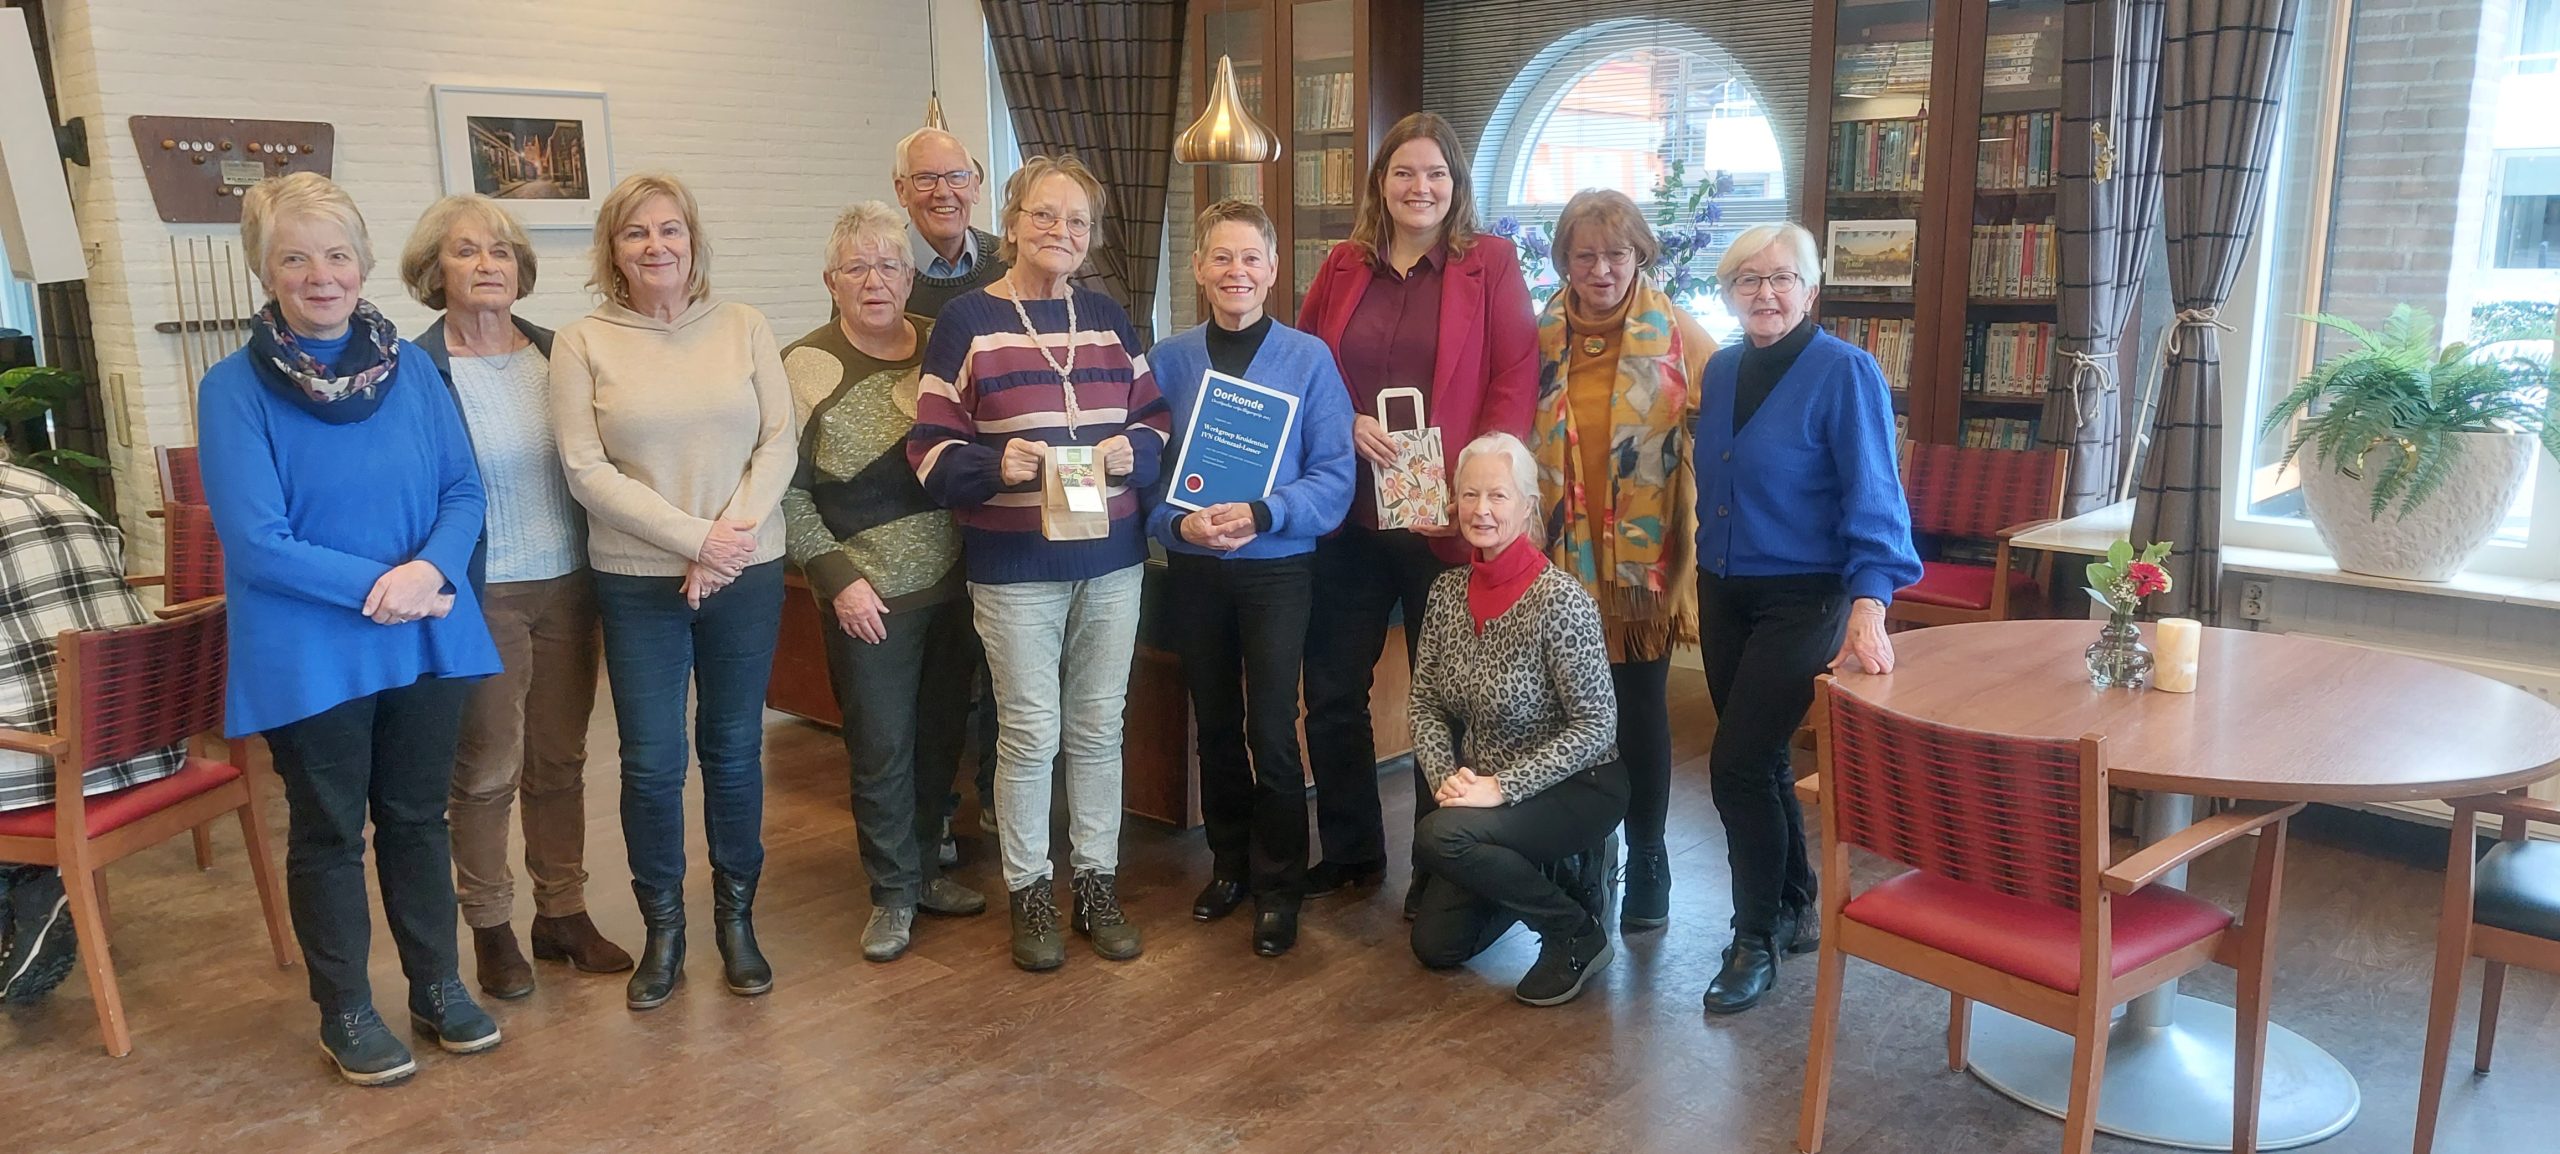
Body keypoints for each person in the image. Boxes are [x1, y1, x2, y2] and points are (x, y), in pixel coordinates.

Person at [198, 172, 504, 1084]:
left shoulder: (412, 369)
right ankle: (346, 1010)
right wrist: (391, 586)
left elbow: (463, 488)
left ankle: (438, 988)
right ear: (266, 271)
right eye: (294, 257)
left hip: (421, 629)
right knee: (331, 831)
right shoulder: (232, 389)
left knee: (416, 817)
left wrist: (426, 573)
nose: (320, 274)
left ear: (365, 264)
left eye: (336, 254)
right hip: (311, 648)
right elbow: (257, 543)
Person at [908, 154, 1171, 972]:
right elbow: (928, 449)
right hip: (1015, 561)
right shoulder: (965, 321)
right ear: (1013, 222)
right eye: (1045, 216)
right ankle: (1030, 889)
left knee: (1097, 727)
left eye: (1078, 222)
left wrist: (1136, 449)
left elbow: (1157, 425)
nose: (1061, 232)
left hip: (1113, 556)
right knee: (1029, 733)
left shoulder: (1109, 317)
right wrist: (995, 467)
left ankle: (1096, 882)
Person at [551, 172, 797, 1010]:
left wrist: (727, 545)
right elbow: (586, 472)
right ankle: (665, 930)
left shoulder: (744, 326)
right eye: (635, 234)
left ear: (693, 240)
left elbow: (778, 445)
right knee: (653, 763)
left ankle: (736, 921)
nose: (656, 246)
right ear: (612, 251)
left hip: (748, 573)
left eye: (670, 230)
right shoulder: (582, 341)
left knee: (733, 754)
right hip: (637, 582)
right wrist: (695, 541)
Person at [1296, 111, 1539, 914]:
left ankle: (1442, 865)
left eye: (1435, 174)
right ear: (1381, 184)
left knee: (1448, 703)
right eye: (1404, 173)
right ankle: (1353, 853)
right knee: (1332, 689)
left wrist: (1481, 479)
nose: (1420, 187)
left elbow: (1513, 376)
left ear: (1456, 184)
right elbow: (1303, 368)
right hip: (1351, 518)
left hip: (1444, 523)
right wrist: (1341, 421)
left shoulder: (1491, 265)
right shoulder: (1341, 265)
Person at [402, 194, 630, 1000]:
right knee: (488, 765)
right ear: (436, 272)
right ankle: (492, 925)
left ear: (522, 271)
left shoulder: (557, 353)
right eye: (467, 252)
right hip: (481, 591)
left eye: (502, 251)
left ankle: (561, 911)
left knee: (560, 759)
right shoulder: (415, 370)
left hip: (571, 581)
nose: (488, 264)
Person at [1692, 222, 1920, 1015]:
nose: (1765, 294)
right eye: (1747, 281)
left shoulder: (1846, 373)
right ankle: (1795, 904)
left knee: (1735, 765)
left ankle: (1752, 937)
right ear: (1728, 294)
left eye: (1782, 278)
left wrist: (1870, 607)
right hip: (1723, 588)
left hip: (1806, 594)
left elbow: (1876, 500)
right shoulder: (1721, 371)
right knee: (1761, 764)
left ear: (1811, 289)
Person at [1145, 199, 1355, 957]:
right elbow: (1145, 477)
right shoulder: (1168, 361)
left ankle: (1279, 884)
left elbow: (1336, 477)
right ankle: (1228, 864)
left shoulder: (1309, 360)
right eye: (1221, 258)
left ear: (1273, 270)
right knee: (1214, 723)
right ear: (1199, 269)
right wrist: (1177, 524)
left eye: (1251, 259)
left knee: (1271, 725)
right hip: (1196, 570)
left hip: (1277, 571)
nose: (1237, 272)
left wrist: (1266, 514)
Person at [781, 201, 988, 964]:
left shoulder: (944, 346)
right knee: (879, 747)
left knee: (941, 740)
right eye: (857, 267)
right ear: (830, 280)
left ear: (912, 276)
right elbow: (786, 494)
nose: (876, 280)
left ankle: (930, 871)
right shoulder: (801, 366)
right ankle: (892, 894)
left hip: (958, 586)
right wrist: (836, 580)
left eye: (891, 264)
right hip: (866, 597)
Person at [1529, 189, 1716, 931]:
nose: (1601, 269)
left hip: (1644, 566)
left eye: (1616, 253)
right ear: (1564, 262)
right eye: (1585, 255)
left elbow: (1726, 416)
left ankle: (1649, 860)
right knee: (1569, 715)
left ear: (1639, 254)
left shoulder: (1676, 331)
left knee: (1638, 714)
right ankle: (1585, 856)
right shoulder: (1539, 335)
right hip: (1560, 560)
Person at [1406, 432, 1623, 1007]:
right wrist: (1444, 778)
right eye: (1470, 494)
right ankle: (1546, 874)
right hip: (1484, 796)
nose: (1482, 510)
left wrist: (1502, 788)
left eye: (1498, 496)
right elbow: (1425, 700)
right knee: (1436, 945)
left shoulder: (1561, 600)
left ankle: (1575, 932)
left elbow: (1597, 726)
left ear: (1528, 506)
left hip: (1577, 787)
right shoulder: (1446, 593)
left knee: (1439, 836)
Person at [0, 453, 187, 1005]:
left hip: (45, 765)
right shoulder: (57, 493)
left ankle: (24, 876)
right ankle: (30, 883)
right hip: (142, 738)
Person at [896, 126, 1009, 320]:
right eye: (925, 179)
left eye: (956, 177)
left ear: (975, 187)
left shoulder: (1009, 262)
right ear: (901, 191)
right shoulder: (874, 271)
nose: (943, 192)